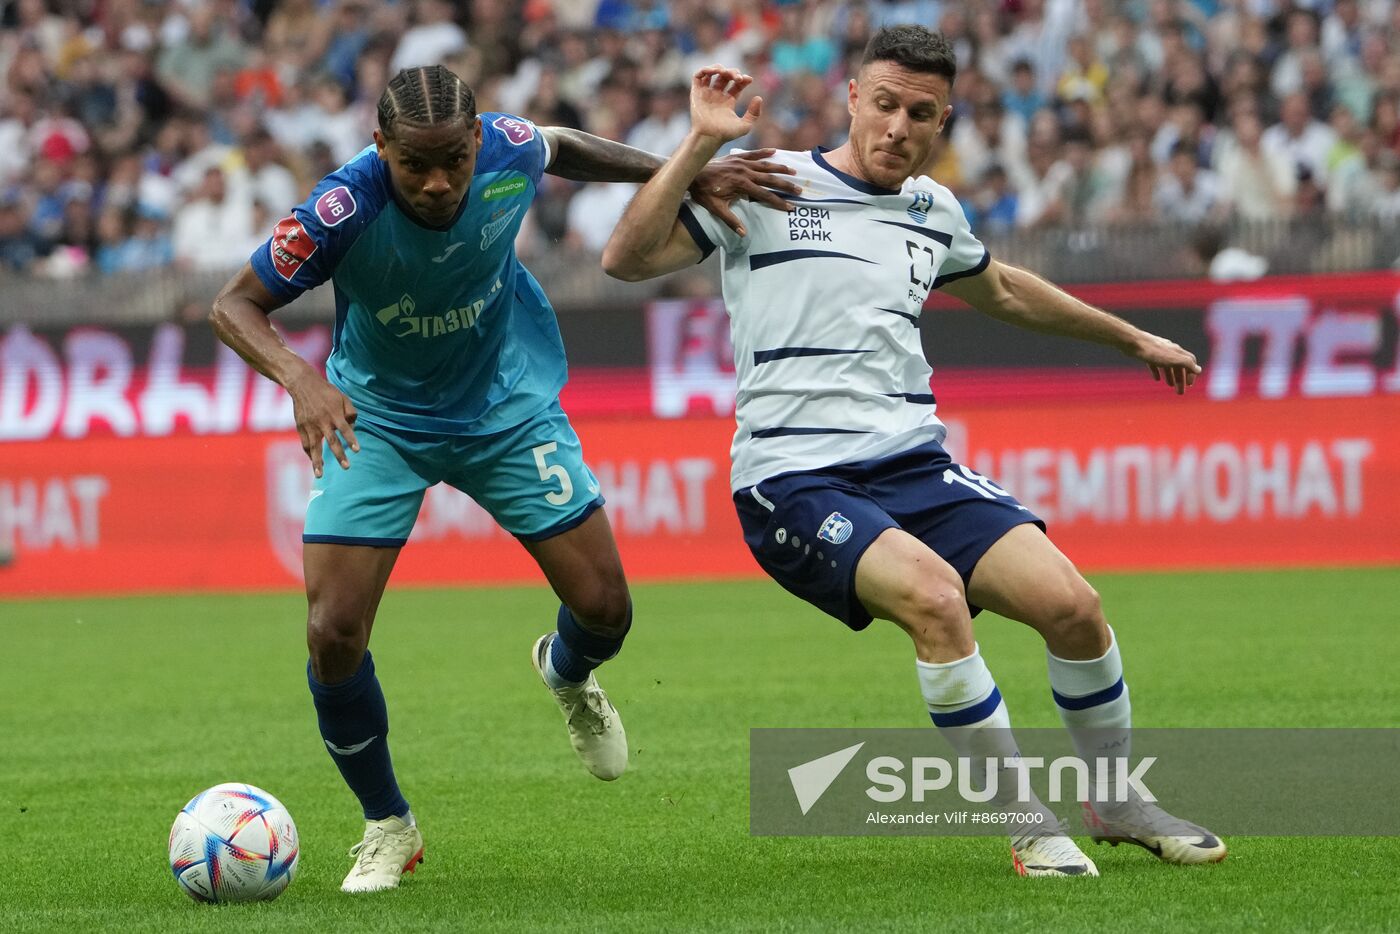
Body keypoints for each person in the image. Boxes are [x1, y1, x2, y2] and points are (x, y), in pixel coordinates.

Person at [602, 27, 1227, 878]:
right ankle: (1024, 822)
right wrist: (702, 144)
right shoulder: (767, 184)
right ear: (853, 99)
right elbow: (624, 258)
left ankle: (1116, 802)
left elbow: (1001, 286)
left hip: (914, 465)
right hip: (793, 477)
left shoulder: (934, 209)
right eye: (886, 104)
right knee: (938, 602)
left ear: (943, 123)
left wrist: (1129, 338)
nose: (899, 126)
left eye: (921, 113)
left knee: (1075, 608)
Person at [210, 64, 794, 894]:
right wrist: (303, 380)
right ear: (381, 148)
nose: (440, 181)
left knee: (607, 610)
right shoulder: (340, 209)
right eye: (416, 164)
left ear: (480, 139)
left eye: (455, 158)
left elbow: (566, 147)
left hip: (505, 407)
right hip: (376, 419)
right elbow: (232, 305)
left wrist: (686, 168)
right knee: (333, 630)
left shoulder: (508, 150)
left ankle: (566, 668)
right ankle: (387, 824)